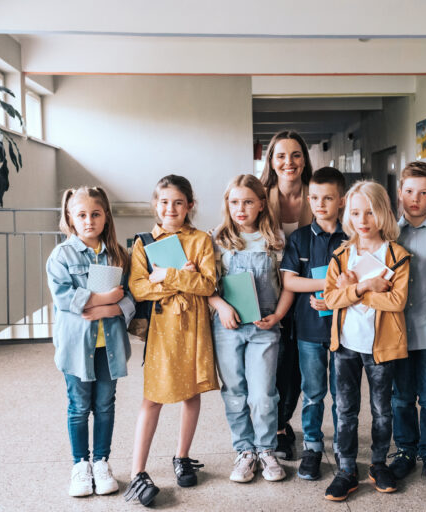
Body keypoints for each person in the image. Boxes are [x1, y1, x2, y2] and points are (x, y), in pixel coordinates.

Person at [123, 175, 219, 506]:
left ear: (189, 205)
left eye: (178, 202)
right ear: (155, 205)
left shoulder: (201, 241)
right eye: (164, 202)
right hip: (162, 330)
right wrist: (181, 279)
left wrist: (167, 274)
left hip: (193, 328)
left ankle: (182, 455)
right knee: (153, 397)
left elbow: (208, 285)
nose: (171, 208)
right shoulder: (144, 242)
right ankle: (137, 472)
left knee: (191, 394)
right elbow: (138, 286)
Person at [322, 181, 411, 501]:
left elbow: (397, 302)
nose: (363, 219)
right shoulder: (341, 255)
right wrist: (363, 288)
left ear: (384, 214)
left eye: (370, 212)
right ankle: (346, 468)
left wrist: (357, 291)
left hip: (381, 346)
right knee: (345, 409)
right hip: (345, 345)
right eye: (356, 212)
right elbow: (331, 299)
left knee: (382, 409)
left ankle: (377, 463)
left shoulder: (397, 256)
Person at [46, 186, 134, 497]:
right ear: (69, 217)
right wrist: (103, 300)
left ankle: (101, 461)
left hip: (108, 347)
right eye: (81, 215)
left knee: (105, 405)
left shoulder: (119, 255)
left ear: (105, 216)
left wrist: (108, 306)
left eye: (95, 214)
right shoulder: (61, 256)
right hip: (75, 348)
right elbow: (67, 299)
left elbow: (130, 299)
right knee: (79, 407)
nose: (88, 221)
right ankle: (80, 465)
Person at [208, 174, 295, 483]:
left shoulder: (276, 239)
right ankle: (244, 451)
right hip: (228, 328)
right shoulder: (217, 239)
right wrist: (220, 305)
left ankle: (266, 449)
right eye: (234, 202)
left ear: (261, 204)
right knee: (234, 391)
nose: (240, 208)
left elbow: (288, 285)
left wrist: (279, 316)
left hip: (265, 327)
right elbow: (206, 285)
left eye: (247, 202)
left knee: (262, 394)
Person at [280, 166, 348, 480]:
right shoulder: (300, 238)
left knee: (343, 393)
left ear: (342, 201)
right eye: (315, 198)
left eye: (328, 198)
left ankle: (343, 448)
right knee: (313, 391)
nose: (320, 204)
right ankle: (313, 446)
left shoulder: (352, 237)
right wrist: (330, 287)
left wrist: (334, 295)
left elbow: (360, 282)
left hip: (346, 329)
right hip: (309, 329)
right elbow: (290, 283)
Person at [388, 162, 426, 484]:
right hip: (396, 334)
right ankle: (405, 451)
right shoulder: (388, 233)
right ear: (400, 193)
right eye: (409, 191)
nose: (415, 199)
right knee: (401, 396)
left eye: (424, 193)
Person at [259, 130, 313, 459]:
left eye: (295, 155)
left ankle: (286, 419)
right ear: (271, 161)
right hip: (270, 290)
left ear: (304, 160)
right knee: (274, 362)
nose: (288, 162)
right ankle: (277, 427)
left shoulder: (317, 193)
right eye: (281, 155)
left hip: (307, 292)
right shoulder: (262, 197)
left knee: (297, 364)